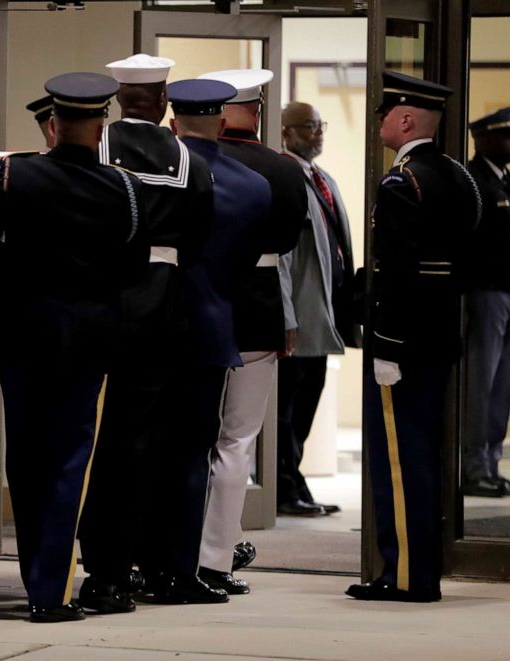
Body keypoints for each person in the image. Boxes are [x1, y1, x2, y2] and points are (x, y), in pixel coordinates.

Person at [0, 71, 150, 623]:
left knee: (25, 458)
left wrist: (11, 285)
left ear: (54, 124)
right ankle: (52, 591)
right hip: (90, 339)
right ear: (99, 126)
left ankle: (39, 582)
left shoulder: (15, 173)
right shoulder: (124, 186)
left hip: (22, 332)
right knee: (72, 461)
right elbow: (134, 265)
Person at [77, 54, 213, 614]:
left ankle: (97, 564)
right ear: (162, 103)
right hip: (165, 312)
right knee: (147, 447)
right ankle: (138, 563)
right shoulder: (190, 161)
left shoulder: (93, 151)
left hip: (102, 305)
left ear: (116, 99)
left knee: (95, 444)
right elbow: (200, 239)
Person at [347, 71, 480, 603]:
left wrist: (388, 347)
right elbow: (465, 263)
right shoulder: (456, 175)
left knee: (400, 463)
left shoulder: (403, 181)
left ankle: (405, 577)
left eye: (385, 113)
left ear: (405, 120)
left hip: (403, 344)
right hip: (441, 335)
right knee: (422, 456)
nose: (380, 121)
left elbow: (396, 275)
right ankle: (416, 570)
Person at [157, 78, 273, 600]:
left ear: (172, 122)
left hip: (145, 327)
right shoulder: (253, 185)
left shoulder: (152, 175)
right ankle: (183, 569)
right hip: (208, 326)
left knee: (136, 449)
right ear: (223, 124)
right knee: (193, 453)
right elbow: (244, 265)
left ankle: (131, 565)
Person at [195, 68, 307, 591]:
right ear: (256, 111)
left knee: (189, 435)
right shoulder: (281, 169)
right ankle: (216, 557)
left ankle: (179, 548)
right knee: (237, 440)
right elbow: (287, 243)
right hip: (257, 309)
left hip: (197, 304)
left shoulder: (191, 159)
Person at [277, 101, 360, 516]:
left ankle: (295, 481)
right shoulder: (284, 175)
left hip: (325, 314)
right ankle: (285, 487)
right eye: (309, 127)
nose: (318, 133)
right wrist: (287, 316)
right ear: (286, 133)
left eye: (320, 125)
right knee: (288, 407)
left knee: (308, 401)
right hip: (297, 317)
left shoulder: (321, 177)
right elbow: (281, 256)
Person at [461, 107, 510, 498]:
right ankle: (474, 464)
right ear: (484, 139)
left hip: (506, 292)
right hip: (486, 293)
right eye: (505, 136)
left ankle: (492, 460)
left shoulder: (506, 181)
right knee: (482, 381)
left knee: (502, 385)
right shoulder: (473, 180)